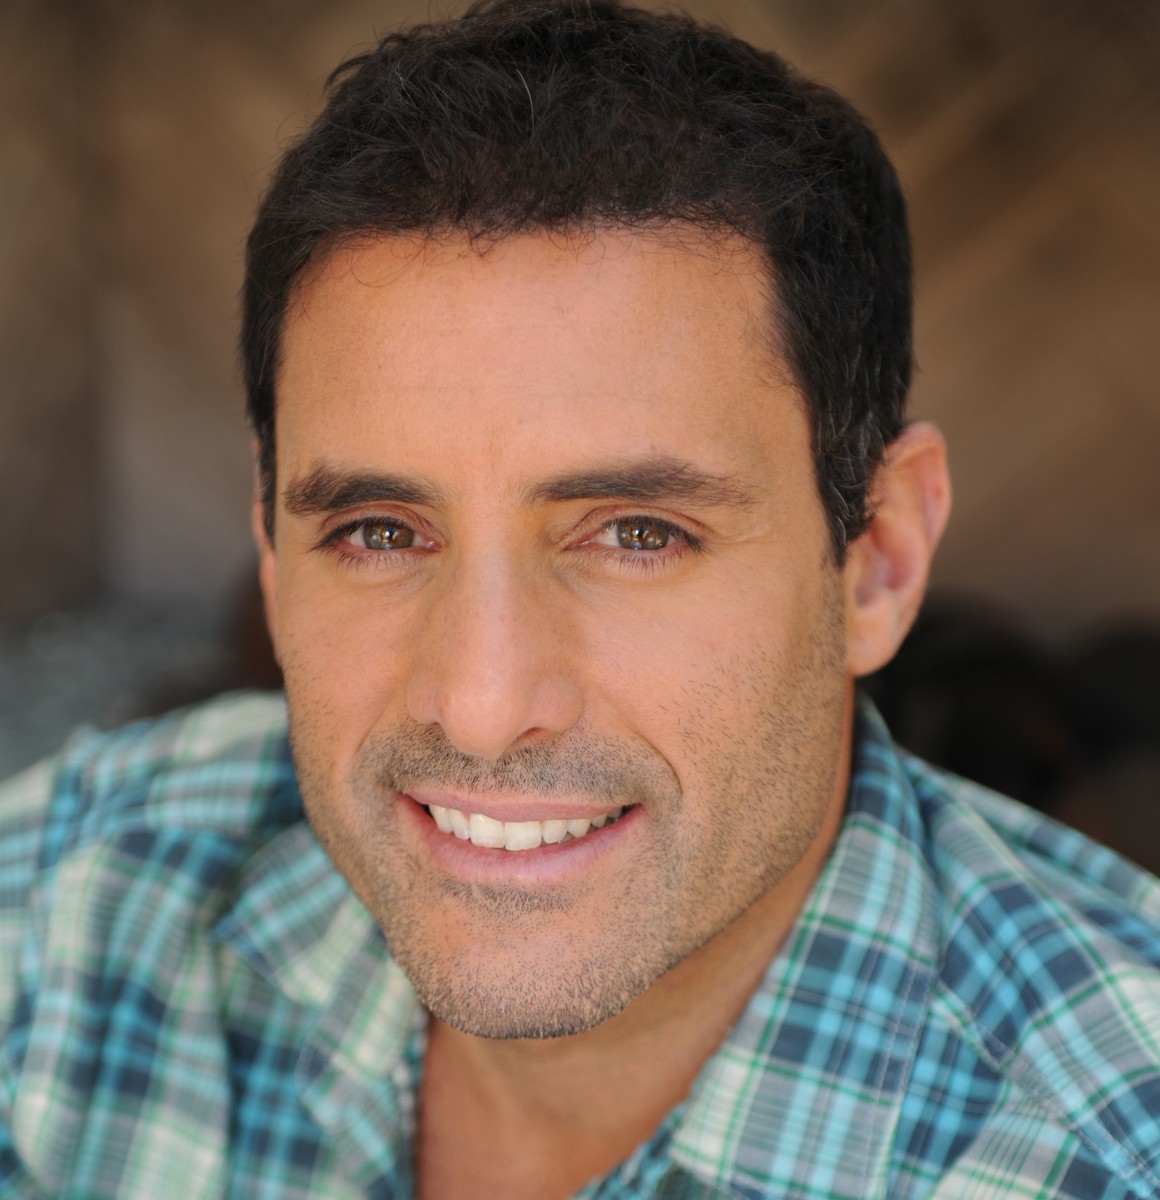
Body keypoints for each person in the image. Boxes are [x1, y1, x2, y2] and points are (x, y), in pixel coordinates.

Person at [3, 1, 1160, 1196]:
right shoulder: (78, 904)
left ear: (878, 559)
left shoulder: (1104, 1150)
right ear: (269, 548)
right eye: (379, 532)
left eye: (637, 535)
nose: (481, 706)